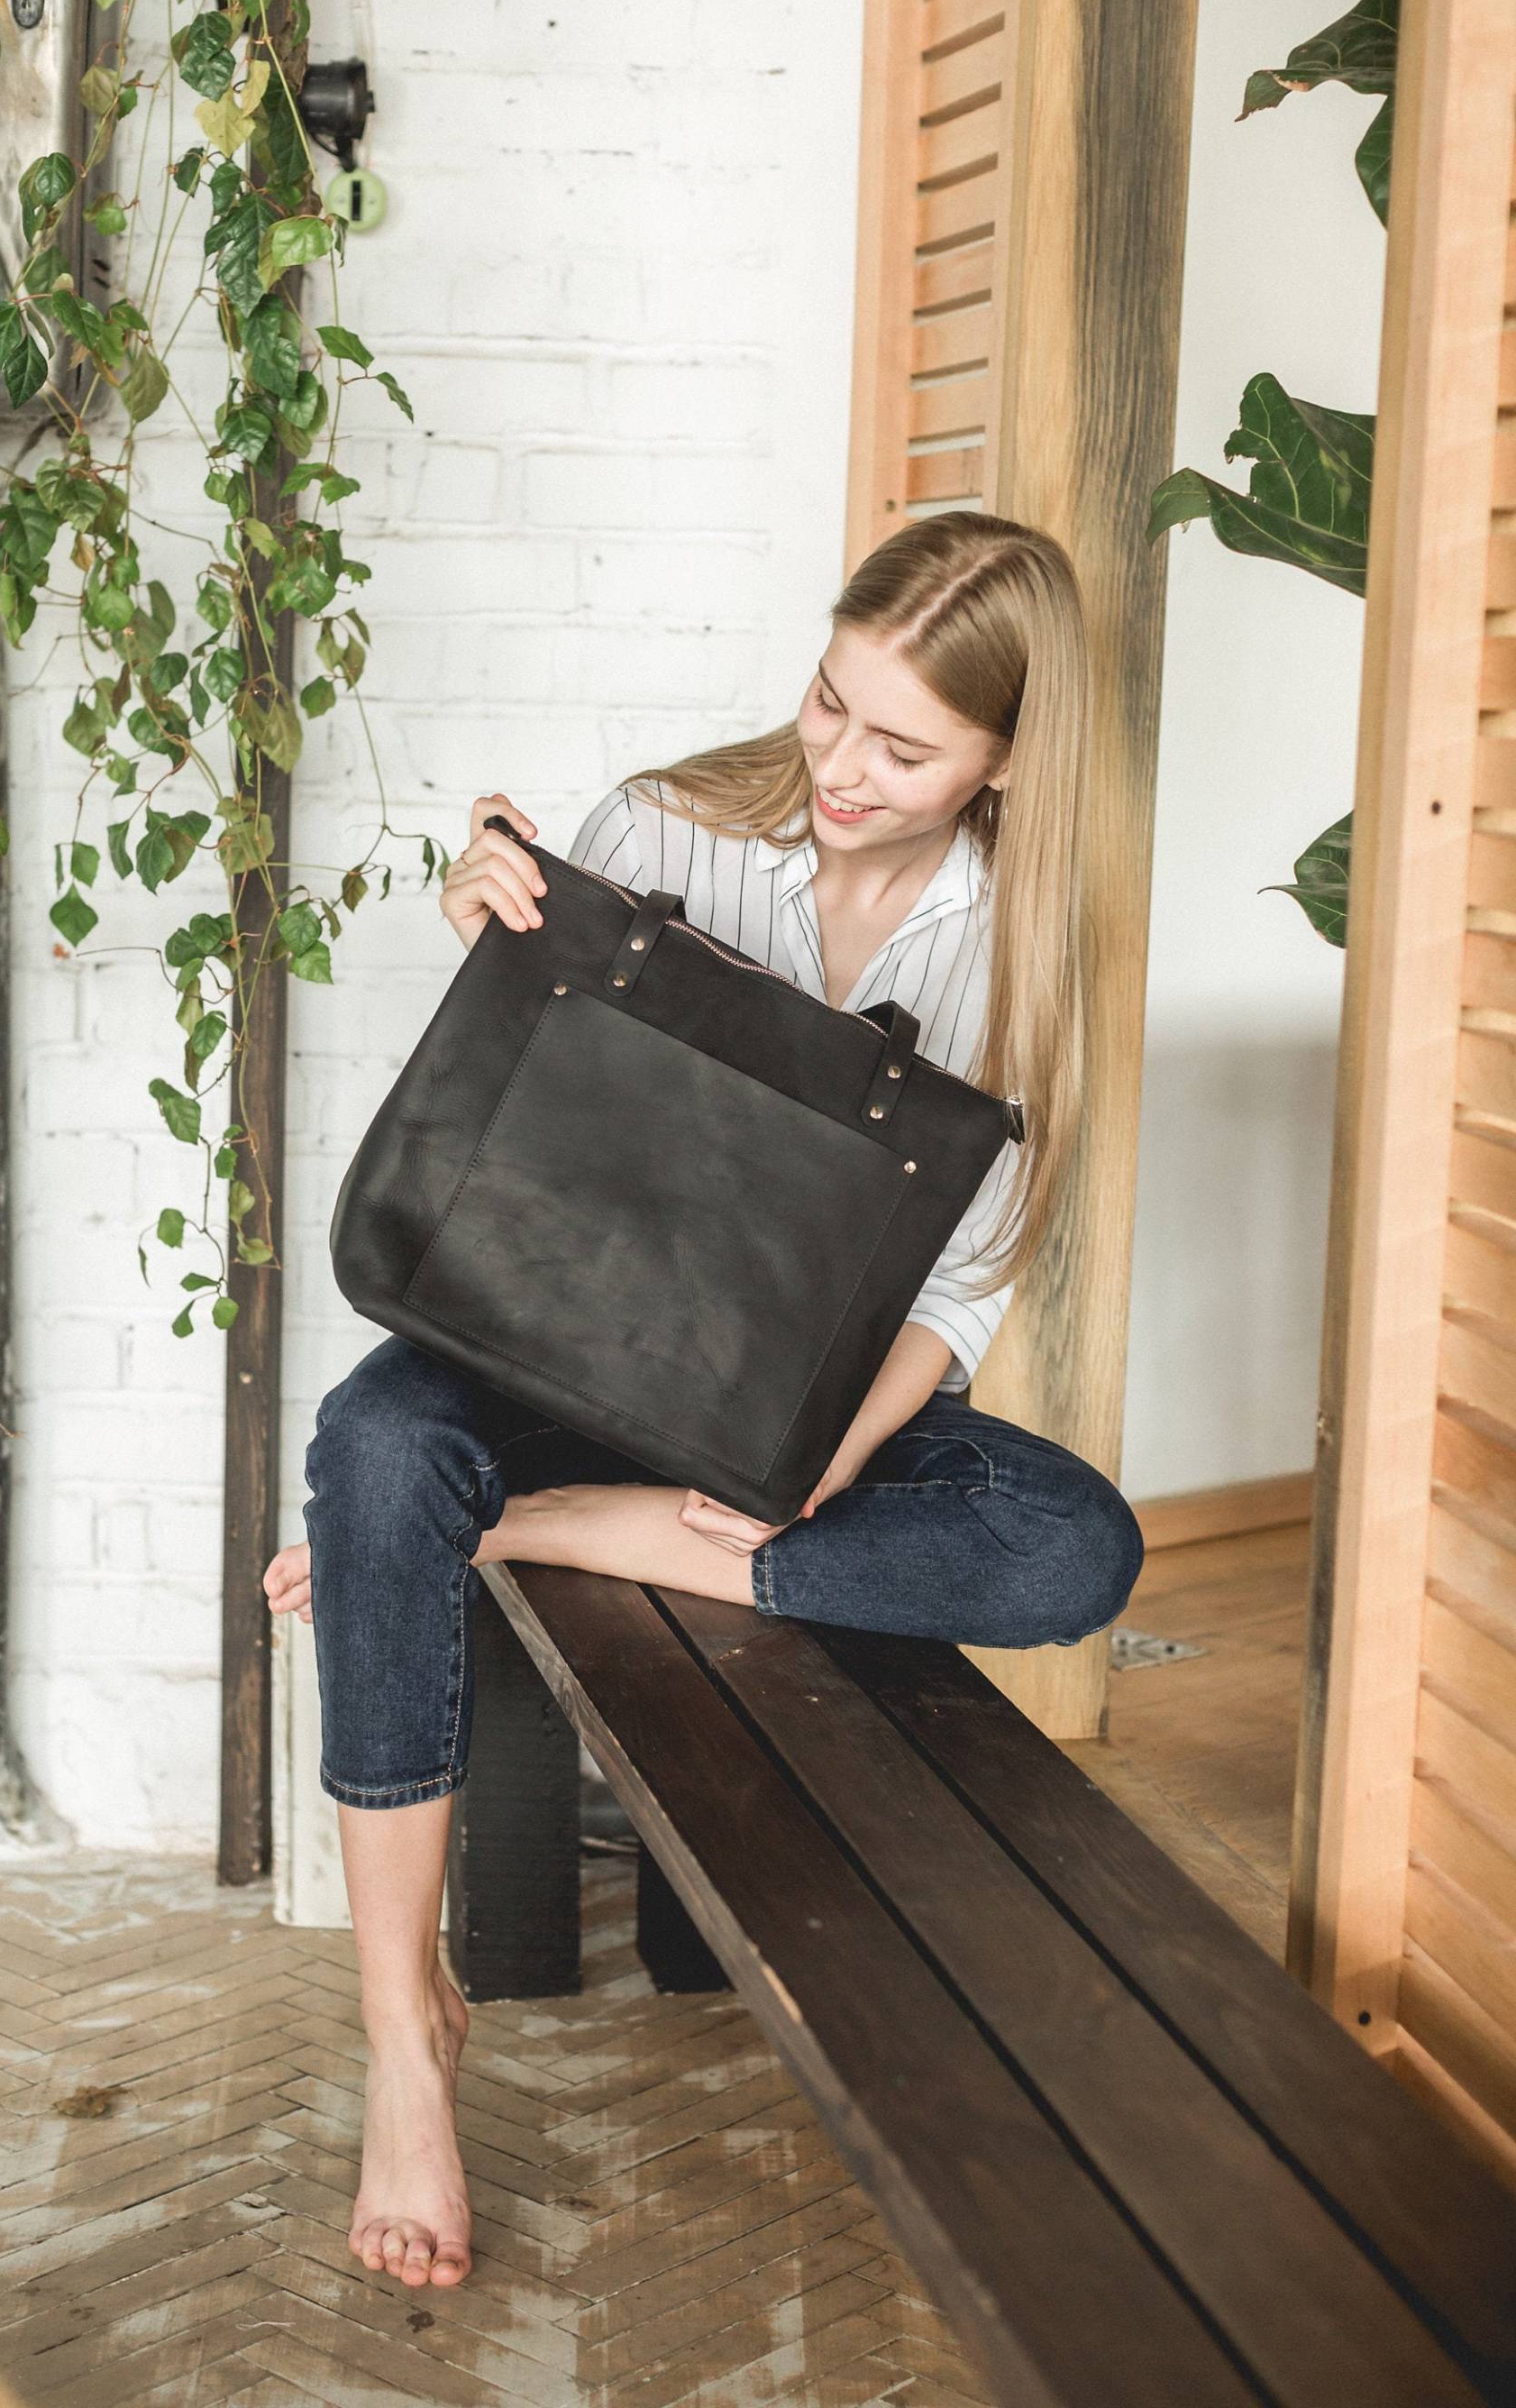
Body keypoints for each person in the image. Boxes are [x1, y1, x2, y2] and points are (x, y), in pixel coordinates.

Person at [262, 511, 1146, 2293]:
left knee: (1074, 1548)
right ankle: (405, 2041)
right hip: (554, 1351)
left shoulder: (1021, 945)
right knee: (375, 1441)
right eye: (831, 704)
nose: (840, 765)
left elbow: (964, 1283)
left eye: (902, 749)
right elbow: (517, 1141)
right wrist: (492, 926)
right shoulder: (664, 824)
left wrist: (828, 1452)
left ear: (1007, 762)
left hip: (793, 1394)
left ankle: (517, 1527)